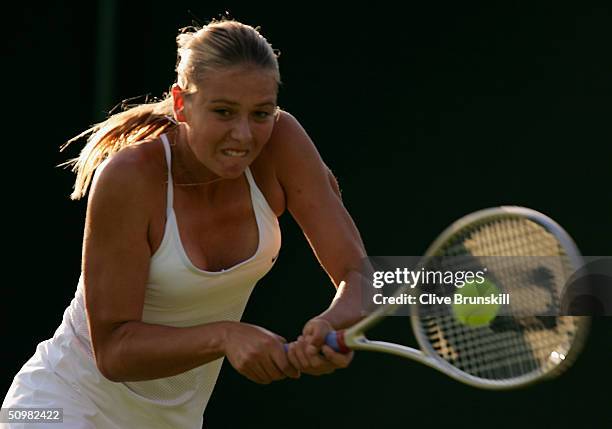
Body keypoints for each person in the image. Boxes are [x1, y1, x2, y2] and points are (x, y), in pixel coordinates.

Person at [1, 18, 367, 428]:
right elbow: (114, 350)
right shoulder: (130, 176)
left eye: (261, 112)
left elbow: (359, 275)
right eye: (223, 112)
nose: (243, 135)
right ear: (181, 103)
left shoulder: (283, 143)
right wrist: (226, 335)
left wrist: (330, 328)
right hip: (56, 407)